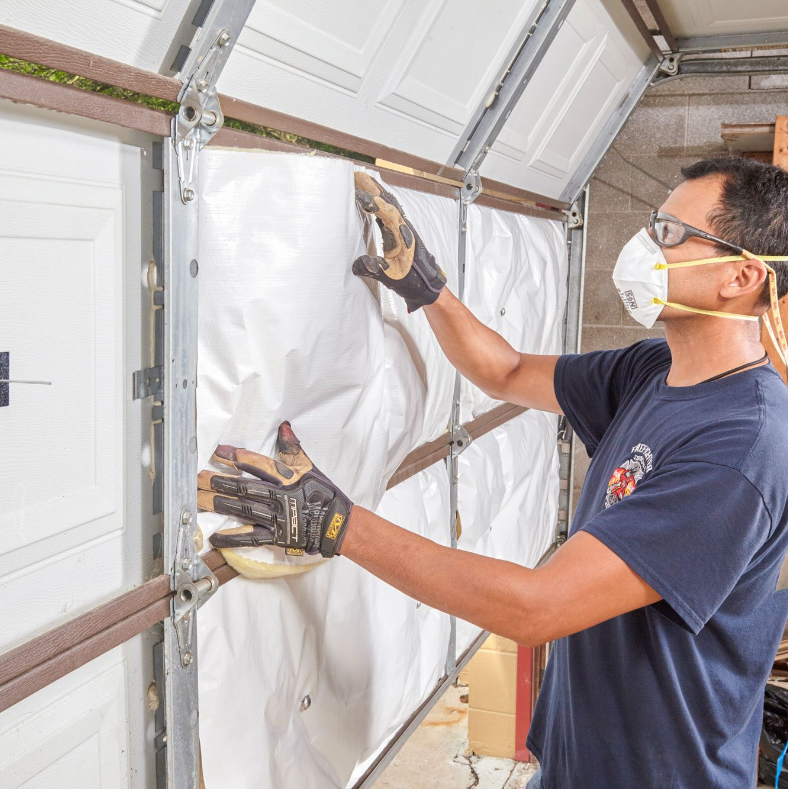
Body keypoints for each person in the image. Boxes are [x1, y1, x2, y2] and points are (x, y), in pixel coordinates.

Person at [201, 159, 788, 787]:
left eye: (670, 233)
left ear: (741, 275)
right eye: (653, 224)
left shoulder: (742, 445)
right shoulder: (652, 370)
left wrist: (338, 525)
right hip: (576, 763)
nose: (644, 244)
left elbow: (538, 607)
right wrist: (428, 291)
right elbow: (505, 372)